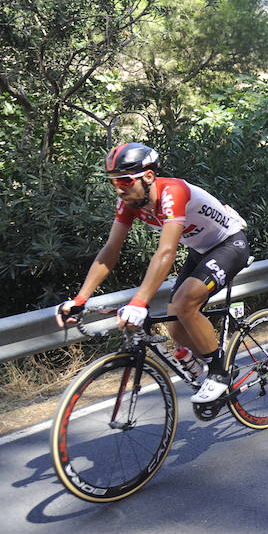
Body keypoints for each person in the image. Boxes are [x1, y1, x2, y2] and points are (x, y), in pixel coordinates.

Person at [56, 143, 250, 404]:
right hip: (200, 251)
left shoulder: (173, 192)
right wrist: (80, 300)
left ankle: (219, 373)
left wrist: (138, 302)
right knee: (176, 328)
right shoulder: (129, 202)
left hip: (229, 244)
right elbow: (110, 251)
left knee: (184, 303)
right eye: (114, 182)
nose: (119, 188)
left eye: (124, 181)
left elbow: (167, 251)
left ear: (148, 176)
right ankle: (207, 366)